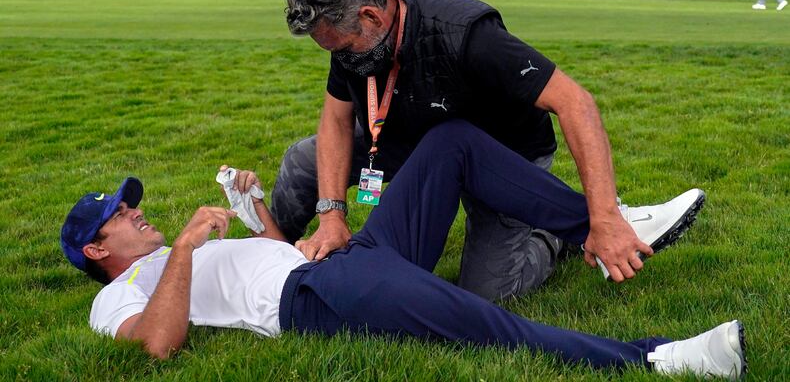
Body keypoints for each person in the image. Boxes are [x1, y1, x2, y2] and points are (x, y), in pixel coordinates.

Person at [60, 121, 745, 379]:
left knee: (453, 143)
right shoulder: (116, 297)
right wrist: (182, 248)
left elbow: (272, 253)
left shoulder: (174, 259)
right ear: (97, 250)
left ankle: (604, 226)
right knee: (477, 322)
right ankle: (659, 358)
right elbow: (158, 346)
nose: (138, 211)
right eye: (123, 215)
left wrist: (254, 210)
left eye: (133, 203)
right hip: (316, 299)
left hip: (331, 259)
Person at [277, 0, 689, 301]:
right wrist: (331, 214)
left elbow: (576, 102)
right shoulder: (350, 32)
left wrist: (600, 218)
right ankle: (271, 252)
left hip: (501, 156)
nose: (341, 58)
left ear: (370, 16)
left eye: (343, 48)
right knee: (303, 159)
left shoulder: (466, 34)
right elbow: (336, 117)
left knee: (487, 291)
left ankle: (555, 233)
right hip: (411, 135)